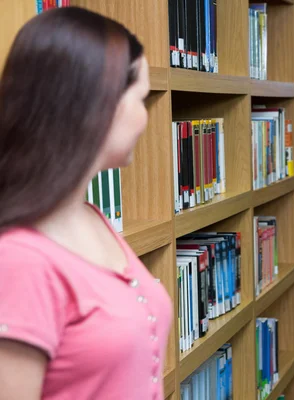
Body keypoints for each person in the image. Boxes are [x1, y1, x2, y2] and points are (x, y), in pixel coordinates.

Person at [0, 7, 172, 400]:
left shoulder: (92, 217)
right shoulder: (19, 260)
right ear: (100, 103)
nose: (146, 118)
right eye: (141, 99)